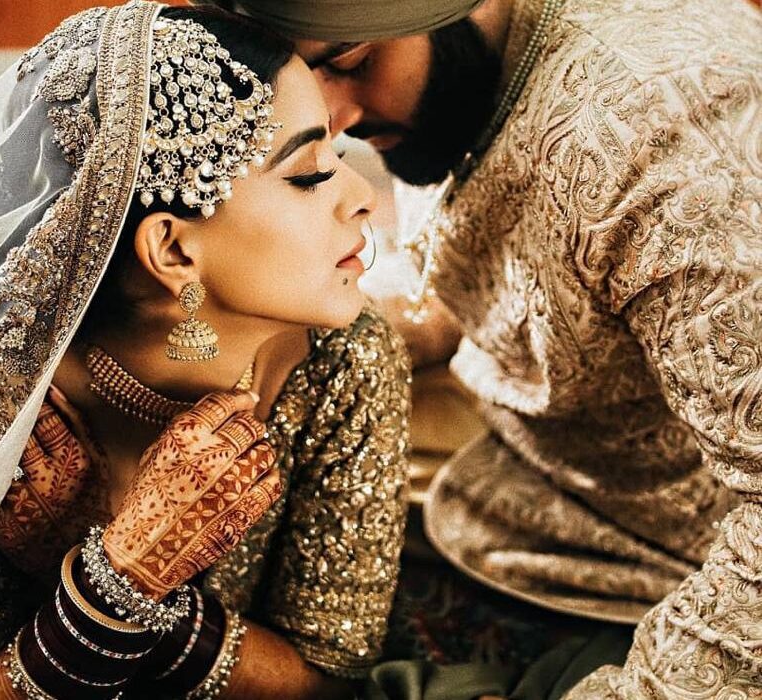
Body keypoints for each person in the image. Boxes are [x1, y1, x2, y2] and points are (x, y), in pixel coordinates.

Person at [0, 4, 415, 699]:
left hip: (75, 267)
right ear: (173, 249)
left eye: (338, 157)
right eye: (310, 175)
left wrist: (110, 575)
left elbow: (329, 680)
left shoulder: (348, 359)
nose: (365, 196)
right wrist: (121, 576)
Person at [193, 0, 762, 697]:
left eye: (350, 62)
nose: (333, 121)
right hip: (508, 491)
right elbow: (518, 276)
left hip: (662, 566)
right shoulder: (461, 77)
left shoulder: (666, 133)